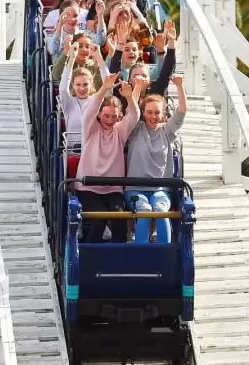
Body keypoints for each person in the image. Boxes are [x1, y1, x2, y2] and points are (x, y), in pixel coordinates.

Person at [75, 74, 144, 242]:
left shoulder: (120, 132)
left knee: (119, 216)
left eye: (114, 117)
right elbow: (90, 110)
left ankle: (119, 254)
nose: (110, 120)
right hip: (88, 187)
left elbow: (134, 116)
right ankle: (90, 253)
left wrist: (129, 96)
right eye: (106, 116)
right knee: (100, 216)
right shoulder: (90, 129)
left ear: (119, 117)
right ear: (99, 115)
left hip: (112, 188)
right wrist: (104, 88)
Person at [126, 76, 187, 244]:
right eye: (149, 112)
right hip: (136, 189)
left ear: (163, 113)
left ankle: (165, 253)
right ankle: (141, 251)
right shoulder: (135, 129)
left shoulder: (167, 131)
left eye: (157, 112)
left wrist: (179, 87)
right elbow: (131, 113)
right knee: (144, 210)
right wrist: (137, 88)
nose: (153, 116)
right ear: (143, 112)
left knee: (160, 209)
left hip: (160, 189)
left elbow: (181, 112)